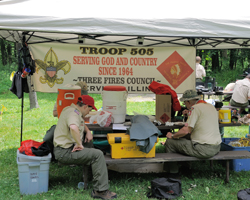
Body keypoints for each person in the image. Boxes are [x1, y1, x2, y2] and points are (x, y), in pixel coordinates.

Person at [53, 95, 117, 199]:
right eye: (90, 109)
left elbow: (79, 122)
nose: (89, 112)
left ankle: (92, 177)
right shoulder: (74, 113)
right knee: (98, 155)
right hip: (65, 152)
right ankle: (100, 191)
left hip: (64, 148)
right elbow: (73, 127)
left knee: (90, 145)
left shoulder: (70, 109)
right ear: (85, 106)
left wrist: (87, 131)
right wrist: (79, 144)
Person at [164, 89, 221, 161]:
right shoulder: (211, 106)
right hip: (216, 147)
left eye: (185, 103)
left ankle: (172, 170)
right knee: (185, 137)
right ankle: (186, 166)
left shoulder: (195, 108)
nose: (185, 105)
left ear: (188, 101)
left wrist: (172, 136)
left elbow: (185, 131)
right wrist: (189, 115)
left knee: (170, 142)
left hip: (203, 149)